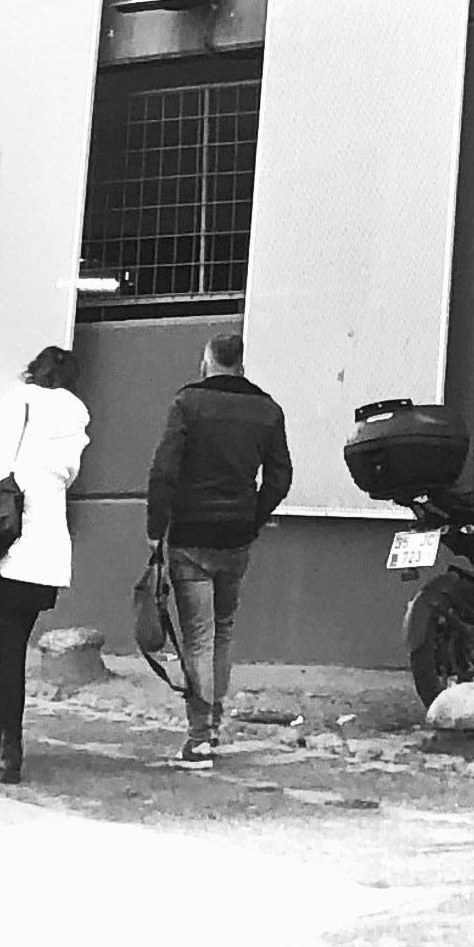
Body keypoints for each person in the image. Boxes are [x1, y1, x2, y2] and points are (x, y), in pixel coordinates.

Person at [145, 326, 291, 767]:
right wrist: (254, 515)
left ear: (207, 362)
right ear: (241, 364)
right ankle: (214, 725)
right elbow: (281, 477)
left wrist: (156, 526)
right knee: (221, 632)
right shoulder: (268, 410)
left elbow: (164, 470)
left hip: (190, 536)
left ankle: (199, 738)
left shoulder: (187, 402)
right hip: (236, 538)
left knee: (198, 637)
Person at [0, 346, 91, 786]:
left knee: (7, 654)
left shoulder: (1, 409)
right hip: (43, 552)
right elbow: (69, 475)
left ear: (31, 372)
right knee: (14, 647)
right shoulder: (74, 421)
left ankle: (9, 746)